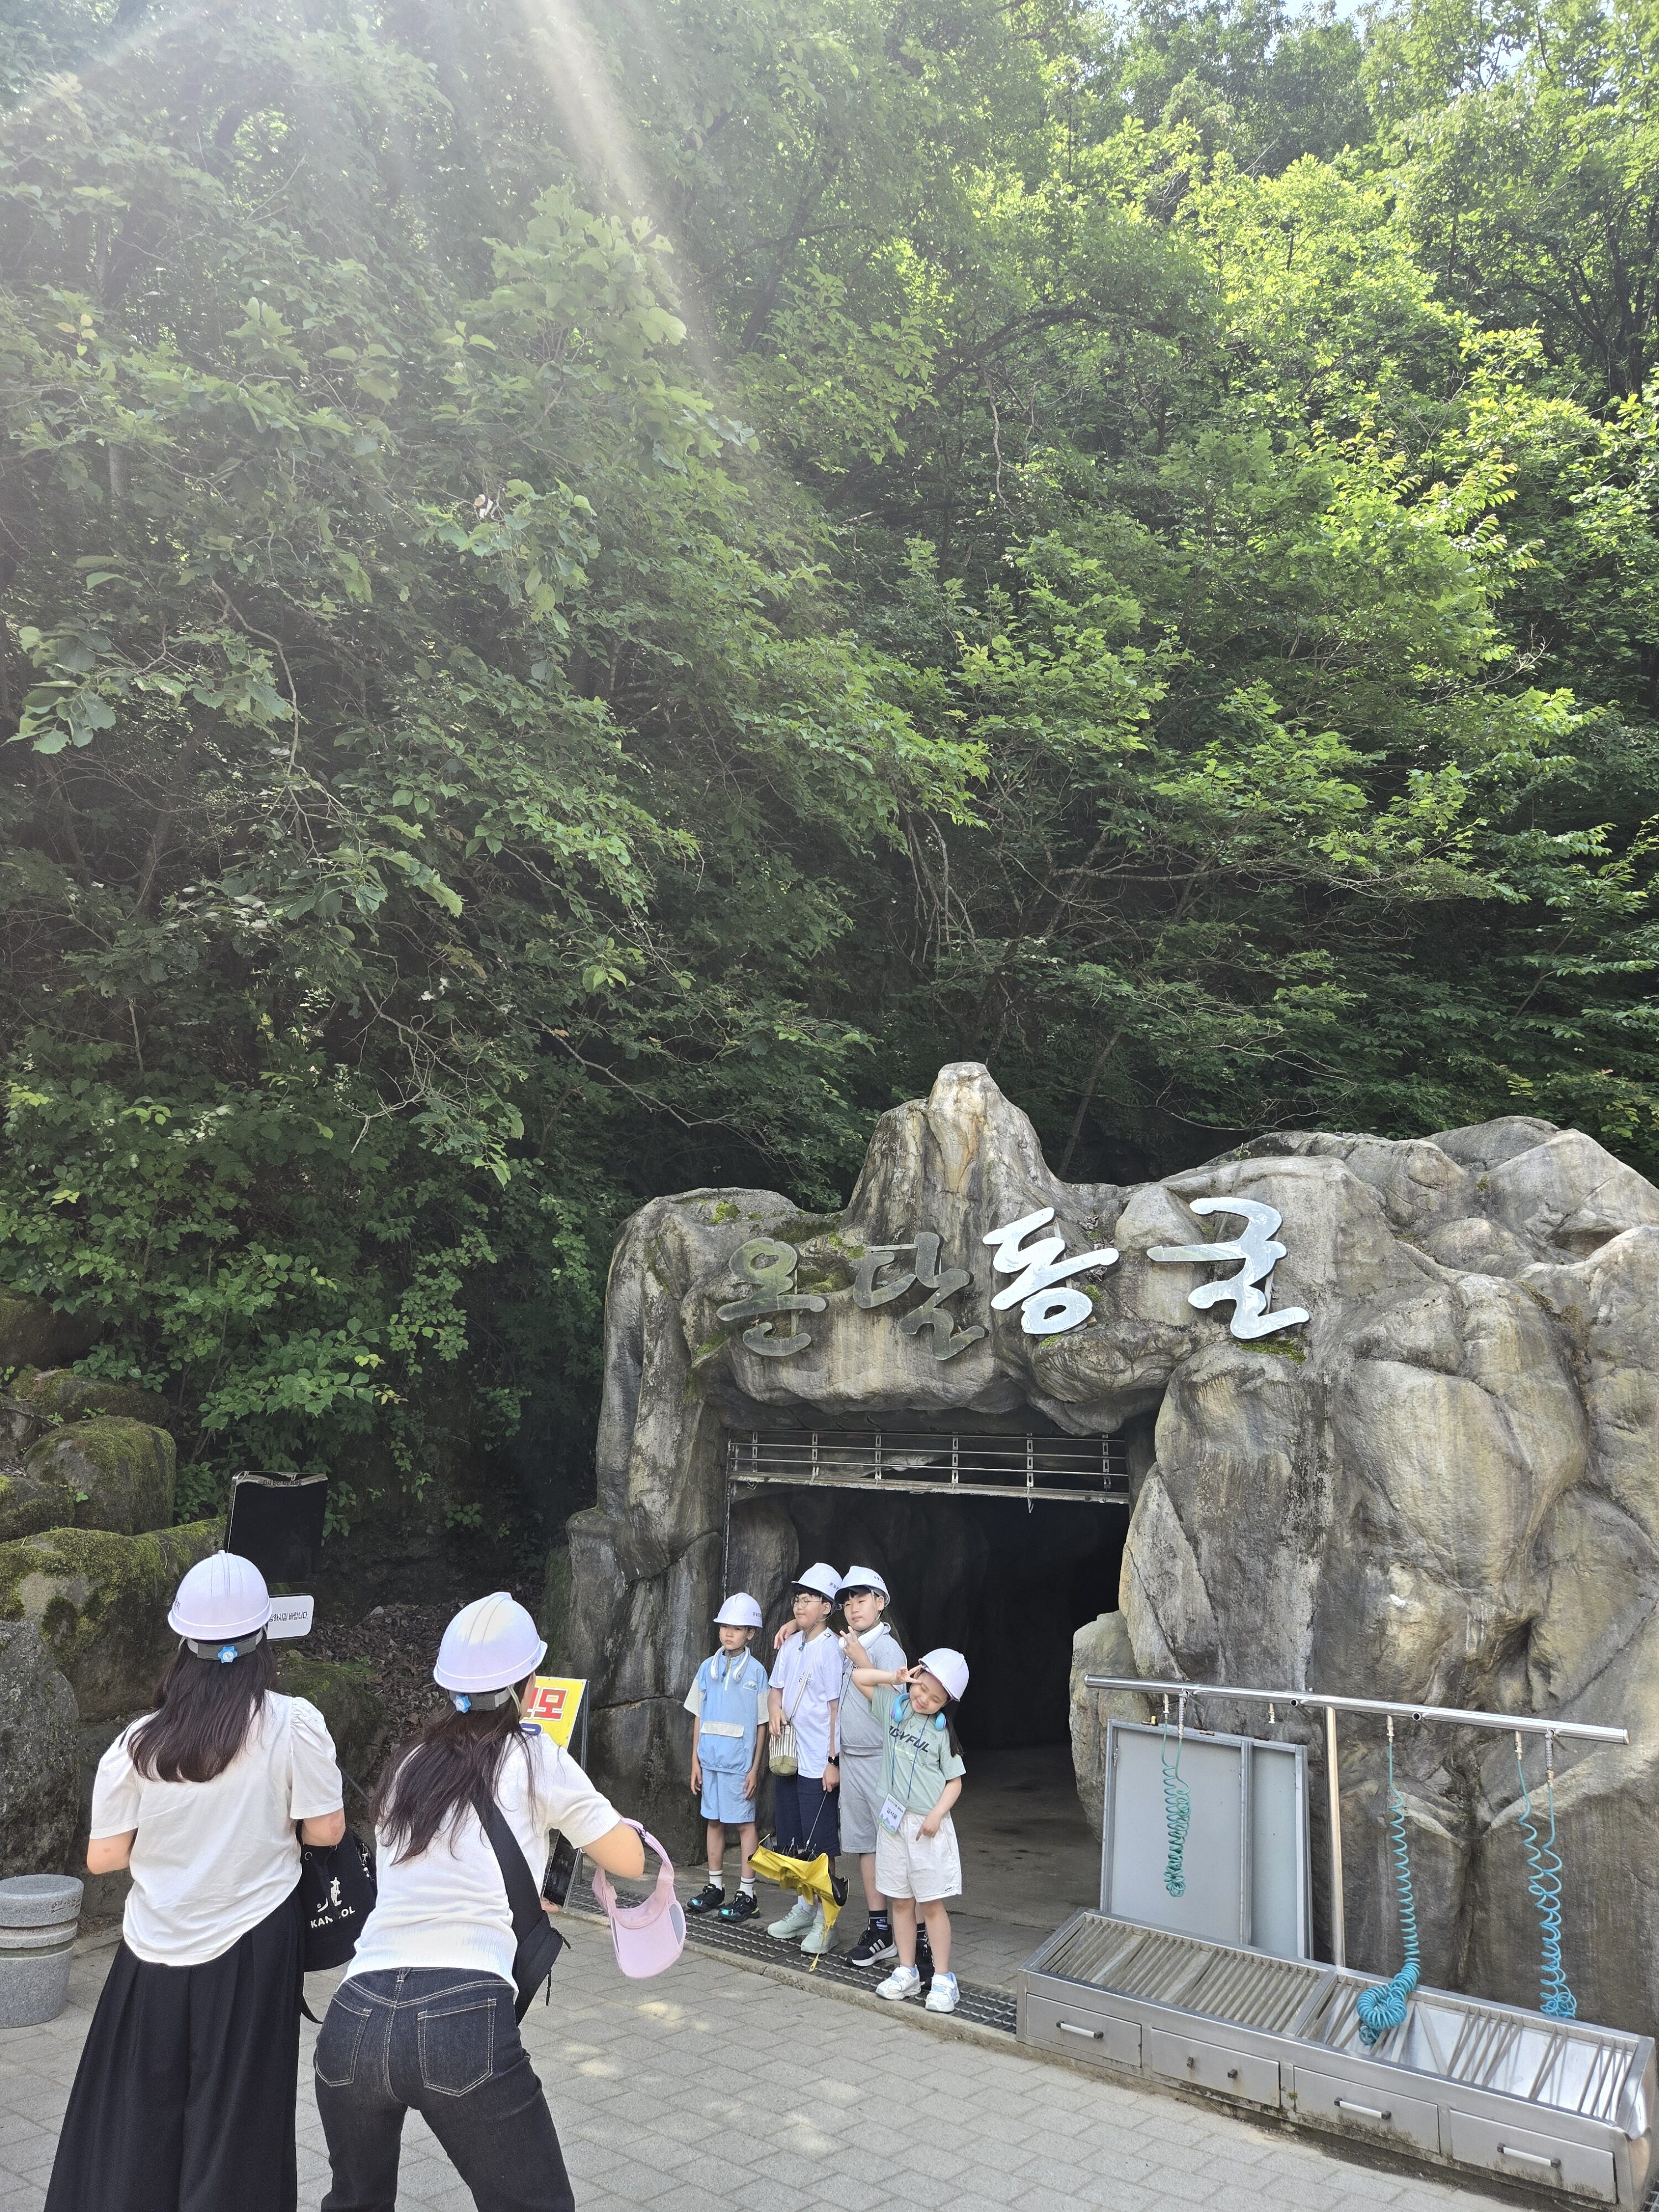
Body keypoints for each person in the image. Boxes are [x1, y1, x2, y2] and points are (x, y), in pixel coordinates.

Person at [312, 1590, 645, 2212]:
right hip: (460, 2014)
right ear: (528, 1684)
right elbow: (630, 1859)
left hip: (354, 2015)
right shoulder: (535, 1756)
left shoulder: (409, 1763)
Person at [44, 1551, 346, 2212]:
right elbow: (326, 1831)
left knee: (140, 2111)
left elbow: (103, 1856)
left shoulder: (138, 1741)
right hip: (254, 1943)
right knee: (238, 2116)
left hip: (152, 1945)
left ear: (183, 1642)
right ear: (263, 1638)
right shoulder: (294, 1722)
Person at [778, 1564, 917, 1971]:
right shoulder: (845, 1643)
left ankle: (910, 1932)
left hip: (879, 1757)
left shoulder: (887, 1650)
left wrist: (862, 1661)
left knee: (892, 1843)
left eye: (863, 1600)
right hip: (851, 1758)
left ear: (881, 1603)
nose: (854, 1608)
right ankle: (878, 1926)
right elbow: (817, 1635)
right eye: (849, 1602)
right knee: (864, 1846)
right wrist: (794, 1623)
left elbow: (898, 1709)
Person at [848, 1645, 969, 2014]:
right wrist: (895, 1678)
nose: (924, 1700)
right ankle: (907, 1970)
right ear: (916, 1676)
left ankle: (944, 1979)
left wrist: (936, 1815)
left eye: (936, 1699)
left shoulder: (943, 1734)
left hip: (925, 1827)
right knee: (900, 1901)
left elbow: (955, 1782)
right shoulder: (894, 1707)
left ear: (946, 1704)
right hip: (893, 1823)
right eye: (922, 1688)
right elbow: (858, 1677)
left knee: (930, 1903)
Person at [765, 1559, 843, 1956]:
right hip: (790, 1756)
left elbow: (836, 1709)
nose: (800, 1605)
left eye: (810, 1600)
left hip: (817, 1762)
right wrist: (774, 1710)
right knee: (795, 1841)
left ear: (827, 1608)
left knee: (821, 1845)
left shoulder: (831, 1650)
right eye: (798, 1599)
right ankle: (804, 1908)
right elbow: (775, 1690)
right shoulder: (791, 1643)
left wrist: (834, 1761)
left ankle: (827, 1921)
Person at [683, 1592, 770, 1922]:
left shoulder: (757, 1672)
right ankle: (715, 1886)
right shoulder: (707, 1668)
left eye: (737, 1628)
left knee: (745, 1824)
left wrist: (755, 1769)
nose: (728, 1633)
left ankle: (748, 1893)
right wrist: (695, 1761)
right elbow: (698, 1716)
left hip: (739, 1764)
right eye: (724, 1627)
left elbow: (762, 1724)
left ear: (750, 1634)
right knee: (714, 1821)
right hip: (710, 1761)